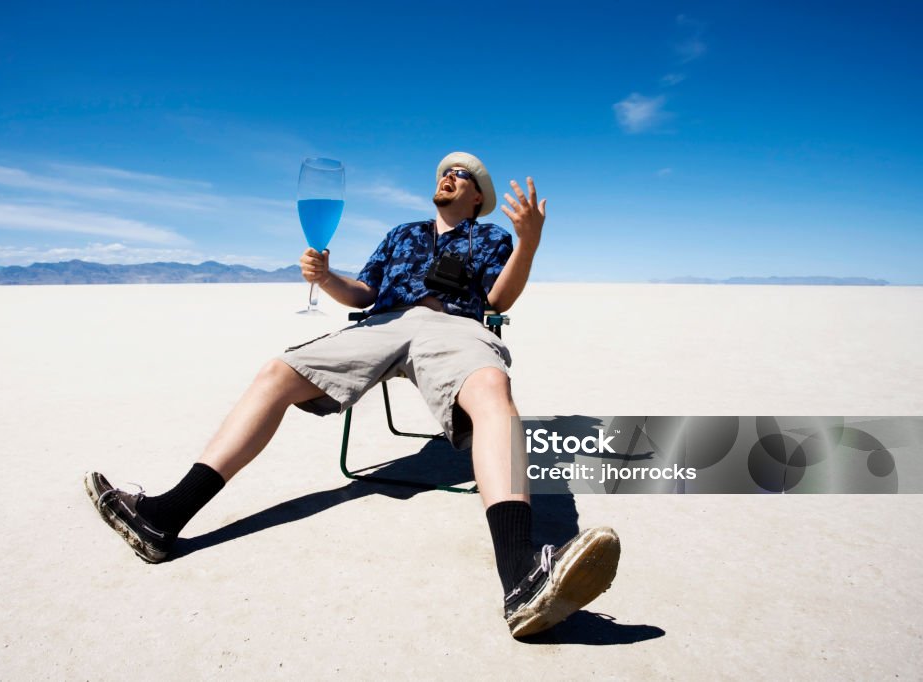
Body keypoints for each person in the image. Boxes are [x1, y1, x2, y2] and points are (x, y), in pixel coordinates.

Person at [84, 151, 620, 638]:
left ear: (477, 195)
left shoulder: (492, 238)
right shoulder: (400, 234)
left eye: (459, 174)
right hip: (380, 325)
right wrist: (328, 275)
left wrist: (527, 242)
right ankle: (163, 519)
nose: (447, 176)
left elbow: (499, 299)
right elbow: (361, 293)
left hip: (453, 327)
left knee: (490, 384)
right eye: (442, 172)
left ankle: (520, 575)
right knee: (277, 371)